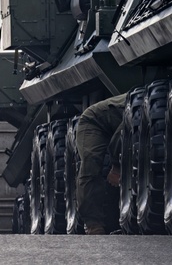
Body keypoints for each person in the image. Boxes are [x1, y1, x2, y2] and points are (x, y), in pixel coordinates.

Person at [74, 94, 126, 235]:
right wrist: (116, 166)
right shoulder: (141, 104)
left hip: (114, 125)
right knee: (91, 163)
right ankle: (93, 224)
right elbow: (122, 134)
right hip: (93, 122)